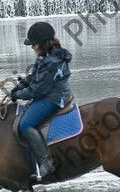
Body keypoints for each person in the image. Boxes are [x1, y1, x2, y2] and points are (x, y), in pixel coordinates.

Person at [11, 22, 73, 181]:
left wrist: (20, 95)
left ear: (44, 43)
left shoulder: (52, 62)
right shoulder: (45, 58)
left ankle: (46, 161)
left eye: (34, 44)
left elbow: (39, 90)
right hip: (49, 95)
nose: (32, 47)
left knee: (25, 124)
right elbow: (34, 77)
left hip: (53, 98)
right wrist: (21, 85)